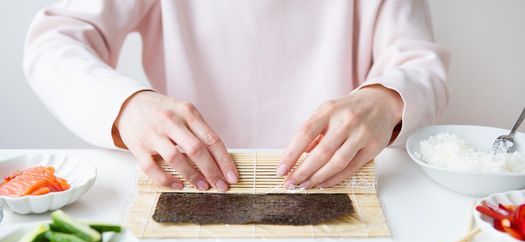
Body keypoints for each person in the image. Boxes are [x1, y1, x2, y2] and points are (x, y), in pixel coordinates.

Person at [24, 0, 449, 191]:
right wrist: (125, 105)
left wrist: (387, 97)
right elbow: (54, 42)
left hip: (339, 182)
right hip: (189, 179)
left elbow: (419, 62)